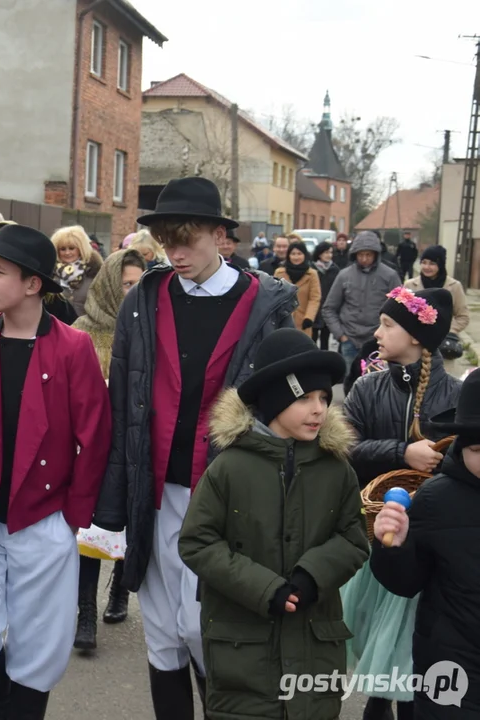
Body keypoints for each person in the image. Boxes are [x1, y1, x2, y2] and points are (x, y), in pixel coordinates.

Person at [94, 176, 299, 720]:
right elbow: (123, 403)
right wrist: (111, 504)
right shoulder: (144, 300)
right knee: (162, 632)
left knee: (202, 627)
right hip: (156, 489)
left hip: (227, 493)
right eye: (167, 240)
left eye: (188, 239)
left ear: (218, 234)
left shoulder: (263, 305)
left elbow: (289, 412)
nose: (176, 253)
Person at [0, 224, 111, 717]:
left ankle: (19, 710)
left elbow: (95, 434)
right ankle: (3, 700)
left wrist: (73, 515)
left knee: (39, 640)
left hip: (45, 514)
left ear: (32, 284)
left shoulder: (73, 347)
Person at [179, 328, 368, 719]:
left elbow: (353, 537)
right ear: (274, 400)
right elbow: (198, 542)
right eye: (304, 398)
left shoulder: (337, 471)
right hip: (243, 654)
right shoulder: (229, 468)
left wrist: (314, 575)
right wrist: (264, 588)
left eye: (323, 398)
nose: (319, 408)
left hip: (314, 649)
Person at [340, 286, 460, 720]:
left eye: (387, 324)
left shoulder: (455, 397)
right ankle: (377, 703)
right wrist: (400, 452)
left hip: (430, 541)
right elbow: (341, 445)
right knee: (374, 622)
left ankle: (409, 705)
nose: (377, 332)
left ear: (415, 336)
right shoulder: (367, 387)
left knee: (412, 633)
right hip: (375, 531)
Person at [371, 369, 480, 718]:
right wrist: (394, 547)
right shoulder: (436, 499)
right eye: (479, 449)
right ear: (461, 445)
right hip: (451, 671)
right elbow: (405, 582)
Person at [72, 250, 141, 651]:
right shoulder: (83, 331)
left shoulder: (152, 331)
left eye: (140, 284)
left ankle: (119, 590)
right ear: (112, 286)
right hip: (93, 444)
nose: (134, 292)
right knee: (91, 527)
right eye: (127, 284)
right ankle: (85, 614)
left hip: (134, 444)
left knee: (128, 521)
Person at [321, 230, 402, 365]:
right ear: (354, 254)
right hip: (349, 340)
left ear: (376, 254)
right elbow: (329, 308)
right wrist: (341, 335)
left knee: (377, 382)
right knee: (351, 383)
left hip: (379, 341)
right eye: (361, 254)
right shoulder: (344, 275)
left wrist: (390, 334)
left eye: (368, 255)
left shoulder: (390, 276)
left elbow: (401, 307)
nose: (364, 259)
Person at [405, 245, 470, 334]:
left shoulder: (454, 286)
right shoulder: (410, 285)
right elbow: (402, 314)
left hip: (443, 340)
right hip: (415, 339)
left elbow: (463, 317)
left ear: (441, 265)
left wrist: (448, 332)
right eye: (424, 262)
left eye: (432, 263)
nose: (427, 267)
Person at [51, 225, 103, 317]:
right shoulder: (50, 274)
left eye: (71, 248)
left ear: (80, 249)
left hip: (86, 328)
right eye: (63, 249)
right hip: (58, 327)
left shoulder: (95, 272)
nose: (67, 253)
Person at [274, 240, 321, 338]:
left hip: (303, 322)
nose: (296, 257)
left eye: (299, 253)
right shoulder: (279, 273)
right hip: (282, 322)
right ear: (288, 255)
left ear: (305, 255)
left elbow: (315, 298)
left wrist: (309, 318)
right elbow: (274, 296)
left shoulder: (312, 274)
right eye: (293, 254)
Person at [311, 241, 340, 351]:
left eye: (331, 252)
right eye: (326, 252)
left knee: (325, 341)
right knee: (311, 339)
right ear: (319, 253)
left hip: (328, 308)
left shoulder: (335, 270)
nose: (329, 255)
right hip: (314, 309)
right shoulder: (312, 269)